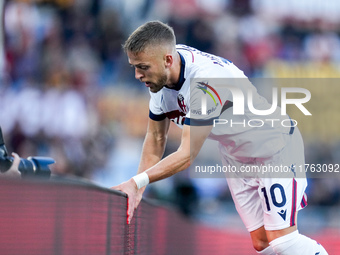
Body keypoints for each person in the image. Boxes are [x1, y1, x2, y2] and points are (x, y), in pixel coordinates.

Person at [112, 21, 328, 255]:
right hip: (236, 156)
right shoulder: (162, 72)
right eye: (134, 67)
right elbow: (155, 139)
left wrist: (137, 182)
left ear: (167, 60)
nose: (137, 75)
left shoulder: (206, 82)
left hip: (274, 146)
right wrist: (138, 190)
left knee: (283, 241)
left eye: (142, 67)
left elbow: (186, 156)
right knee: (262, 243)